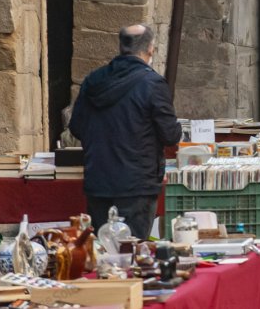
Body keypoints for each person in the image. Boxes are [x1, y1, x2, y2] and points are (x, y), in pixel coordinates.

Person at [69, 24, 182, 240]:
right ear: (150, 49)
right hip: (137, 184)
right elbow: (170, 135)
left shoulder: (94, 79)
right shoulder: (153, 84)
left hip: (99, 180)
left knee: (103, 250)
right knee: (132, 252)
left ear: (121, 47)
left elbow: (76, 126)